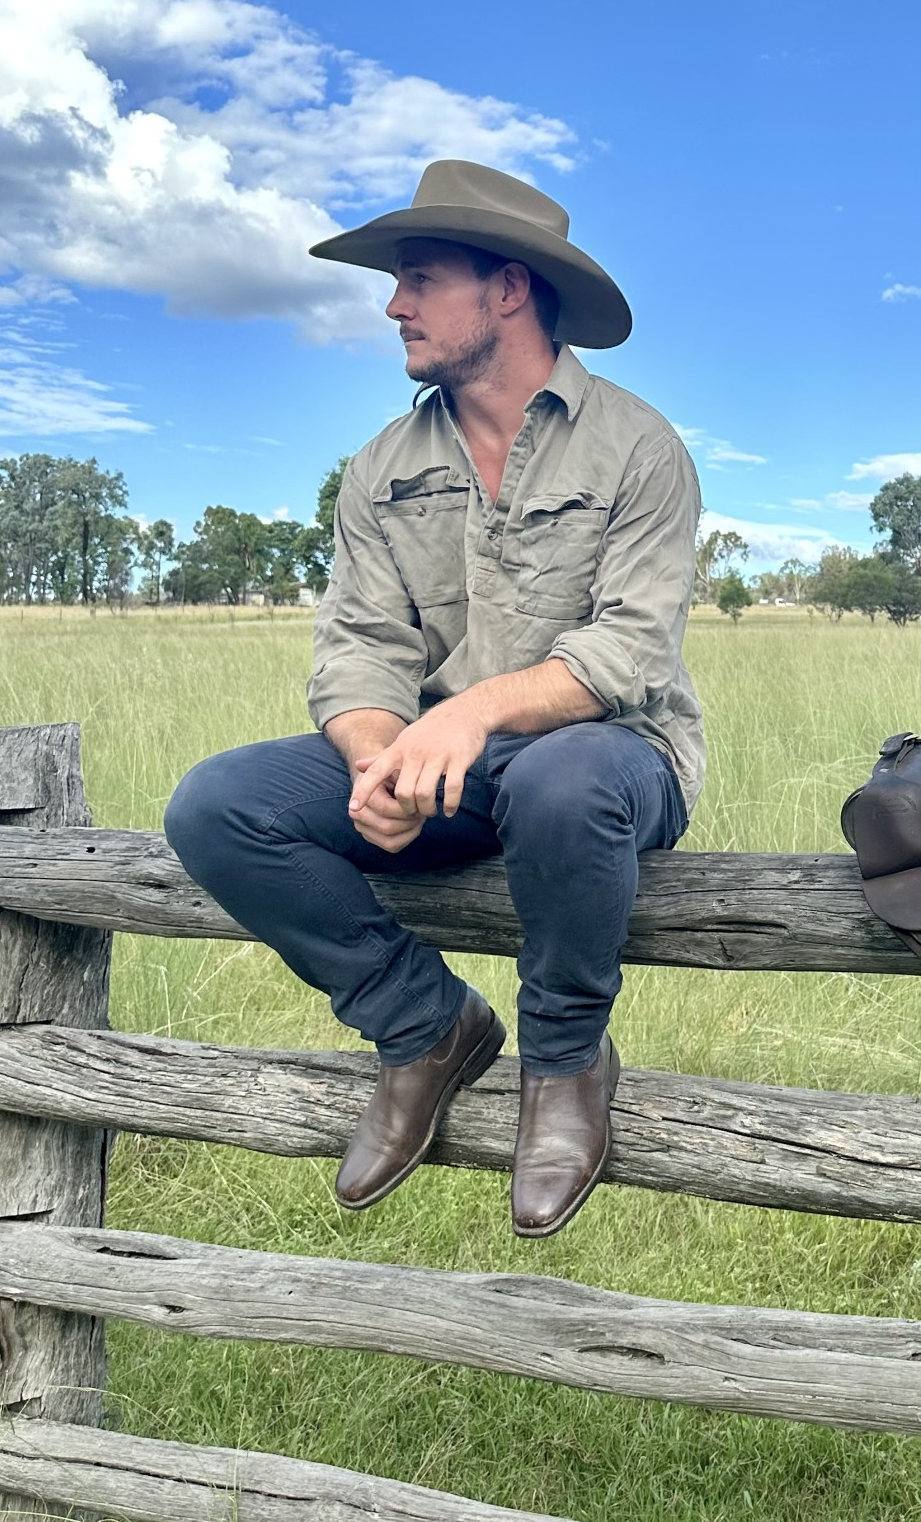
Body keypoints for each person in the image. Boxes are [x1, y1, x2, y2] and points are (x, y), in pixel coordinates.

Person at [165, 159, 702, 1239]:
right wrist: (378, 760)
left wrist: (469, 714)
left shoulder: (640, 448)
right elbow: (361, 647)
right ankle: (423, 1026)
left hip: (612, 756)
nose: (393, 303)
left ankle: (563, 1062)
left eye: (419, 277)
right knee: (217, 805)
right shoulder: (378, 468)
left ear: (507, 289)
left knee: (563, 776)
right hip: (445, 763)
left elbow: (627, 651)